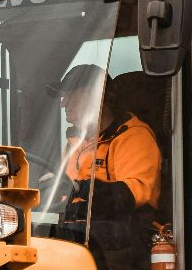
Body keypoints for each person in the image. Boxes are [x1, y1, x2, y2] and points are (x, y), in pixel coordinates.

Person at [56, 64, 162, 219]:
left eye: (70, 95)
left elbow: (132, 195)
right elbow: (61, 196)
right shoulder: (74, 143)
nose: (63, 103)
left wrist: (84, 189)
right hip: (74, 233)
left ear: (96, 95)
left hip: (120, 238)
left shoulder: (134, 137)